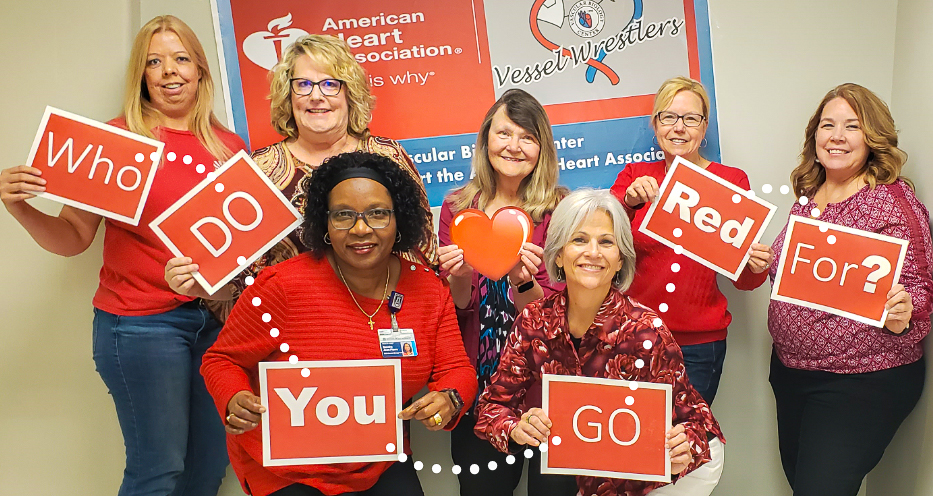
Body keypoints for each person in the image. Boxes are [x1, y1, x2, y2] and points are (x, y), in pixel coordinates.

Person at [0, 15, 246, 496]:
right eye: (154, 62)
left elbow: (238, 250)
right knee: (158, 472)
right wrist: (19, 207)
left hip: (216, 327)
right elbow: (73, 237)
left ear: (200, 70)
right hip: (139, 325)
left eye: (180, 59)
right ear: (141, 75)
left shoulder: (230, 147)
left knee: (207, 470)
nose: (169, 72)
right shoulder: (115, 143)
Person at [200, 152, 477, 496]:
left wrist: (450, 397)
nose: (361, 229)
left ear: (399, 220)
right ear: (325, 223)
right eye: (344, 215)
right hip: (288, 471)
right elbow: (221, 360)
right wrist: (234, 397)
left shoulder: (428, 290)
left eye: (377, 213)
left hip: (377, 462)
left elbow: (458, 370)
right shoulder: (281, 286)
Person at [744, 83, 932, 495]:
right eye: (827, 125)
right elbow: (796, 273)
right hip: (793, 374)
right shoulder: (809, 197)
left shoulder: (890, 201)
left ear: (873, 137)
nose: (837, 136)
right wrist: (763, 260)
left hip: (861, 382)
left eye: (852, 126)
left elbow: (920, 289)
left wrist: (904, 308)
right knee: (802, 483)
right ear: (814, 136)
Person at [475, 189, 725, 496]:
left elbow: (699, 422)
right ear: (558, 255)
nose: (593, 252)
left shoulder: (647, 331)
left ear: (620, 260)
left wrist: (684, 447)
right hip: (565, 464)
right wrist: (515, 428)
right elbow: (492, 406)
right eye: (579, 240)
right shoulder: (533, 320)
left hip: (639, 482)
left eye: (606, 242)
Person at [164, 34, 435, 314]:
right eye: (303, 84)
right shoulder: (260, 170)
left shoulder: (387, 156)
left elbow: (422, 252)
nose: (316, 96)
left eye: (330, 84)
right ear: (288, 95)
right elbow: (240, 282)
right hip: (294, 329)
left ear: (349, 93)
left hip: (384, 321)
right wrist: (200, 285)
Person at [609, 76, 773, 404]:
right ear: (656, 126)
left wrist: (757, 265)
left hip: (699, 347)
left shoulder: (730, 181)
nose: (679, 128)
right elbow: (603, 244)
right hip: (633, 335)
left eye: (690, 119)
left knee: (682, 444)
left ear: (704, 127)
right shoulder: (634, 176)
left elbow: (745, 280)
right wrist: (628, 202)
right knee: (634, 441)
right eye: (668, 117)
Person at [437, 88, 567, 495]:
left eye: (527, 137)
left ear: (541, 148)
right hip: (482, 389)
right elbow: (460, 306)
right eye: (504, 133)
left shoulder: (559, 209)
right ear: (486, 140)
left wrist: (521, 280)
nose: (514, 146)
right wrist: (458, 275)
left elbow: (553, 316)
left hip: (548, 388)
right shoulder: (457, 208)